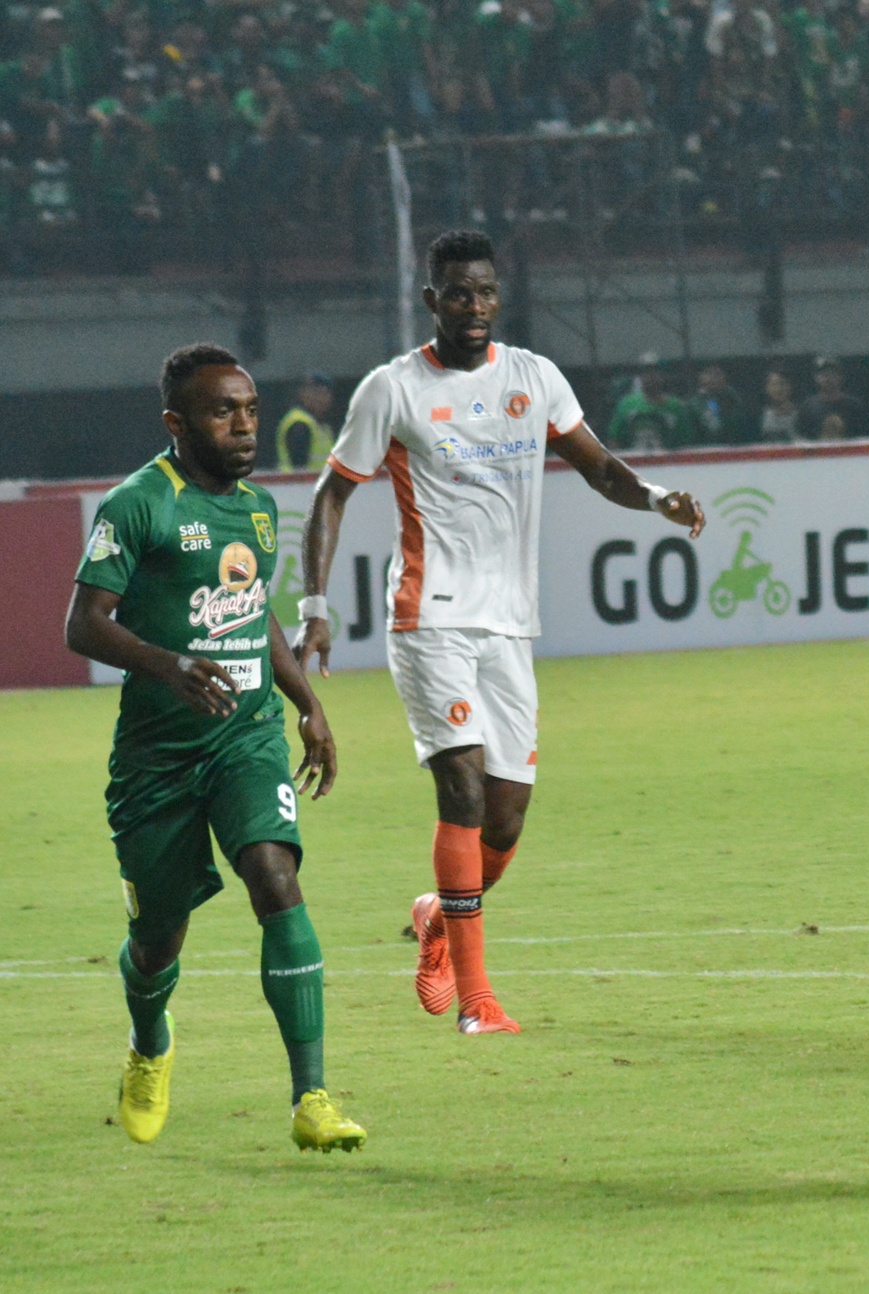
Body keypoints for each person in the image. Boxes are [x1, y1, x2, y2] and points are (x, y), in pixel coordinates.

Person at [294, 231, 706, 1035]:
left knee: (508, 817)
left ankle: (437, 915)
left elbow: (600, 467)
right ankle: (479, 1003)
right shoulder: (394, 389)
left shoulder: (535, 378)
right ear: (431, 300)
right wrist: (316, 605)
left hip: (510, 625)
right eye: (457, 293)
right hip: (429, 617)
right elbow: (331, 496)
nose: (473, 307)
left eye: (484, 292)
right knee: (464, 790)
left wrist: (658, 499)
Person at [63, 343, 365, 1152]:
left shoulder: (261, 511)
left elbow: (253, 613)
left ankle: (313, 1098)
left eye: (251, 409)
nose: (243, 425)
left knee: (275, 874)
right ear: (176, 423)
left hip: (245, 736)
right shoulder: (138, 504)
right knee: (158, 937)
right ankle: (150, 1044)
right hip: (157, 757)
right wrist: (169, 665)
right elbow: (82, 623)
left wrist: (307, 703)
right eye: (222, 412)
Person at [603, 360, 694, 450]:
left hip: (667, 462)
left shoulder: (675, 406)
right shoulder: (627, 404)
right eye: (647, 373)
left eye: (656, 373)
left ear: (663, 377)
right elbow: (614, 438)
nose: (651, 377)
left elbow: (685, 442)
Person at [275, 372, 335, 473]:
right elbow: (299, 468)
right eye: (316, 393)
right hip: (298, 486)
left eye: (325, 393)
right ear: (302, 394)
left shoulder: (323, 427)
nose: (321, 399)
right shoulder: (299, 424)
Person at [799, 354, 865, 441]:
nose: (828, 378)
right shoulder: (808, 407)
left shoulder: (854, 406)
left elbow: (862, 437)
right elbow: (803, 439)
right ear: (816, 378)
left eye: (832, 373)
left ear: (840, 376)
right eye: (824, 374)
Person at [690, 362, 750, 443]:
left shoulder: (733, 397)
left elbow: (741, 427)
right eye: (709, 373)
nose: (713, 378)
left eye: (717, 374)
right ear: (701, 377)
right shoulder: (694, 403)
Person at [759, 367, 800, 443]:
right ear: (766, 388)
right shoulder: (760, 416)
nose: (778, 389)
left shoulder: (802, 414)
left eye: (783, 384)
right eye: (774, 384)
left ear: (790, 386)